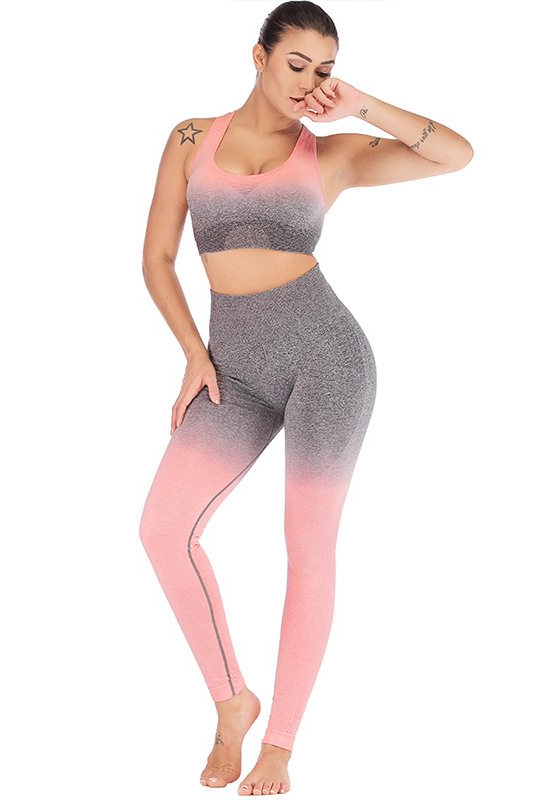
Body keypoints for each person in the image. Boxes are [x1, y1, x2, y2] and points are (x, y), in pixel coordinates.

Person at [138, 1, 473, 794]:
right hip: (232, 368)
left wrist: (362, 105)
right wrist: (193, 353)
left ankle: (281, 744)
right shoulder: (191, 138)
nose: (308, 81)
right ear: (258, 57)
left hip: (329, 361)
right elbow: (156, 258)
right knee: (163, 531)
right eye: (296, 64)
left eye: (323, 70)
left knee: (307, 546)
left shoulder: (333, 153)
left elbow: (457, 154)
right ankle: (234, 700)